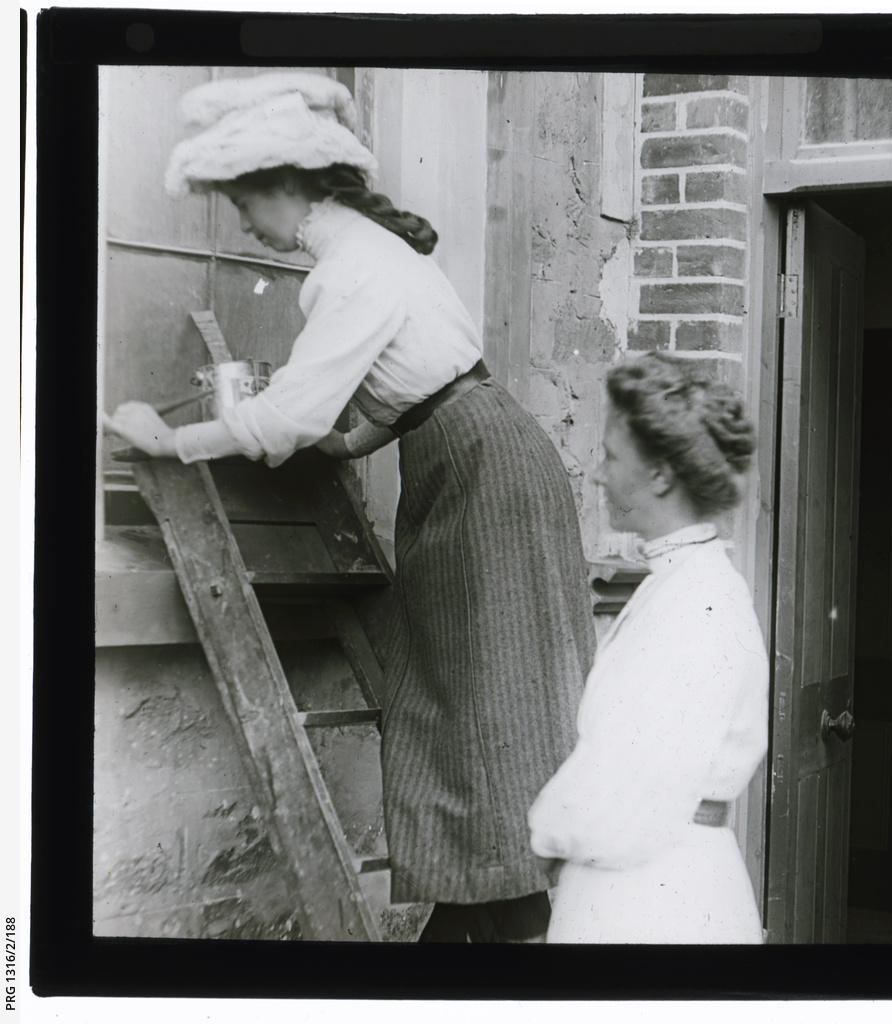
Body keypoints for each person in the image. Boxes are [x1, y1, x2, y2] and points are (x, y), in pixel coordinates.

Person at [106, 72, 596, 943]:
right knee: (473, 704)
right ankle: (483, 918)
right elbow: (419, 388)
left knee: (484, 705)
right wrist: (349, 444)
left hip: (479, 474)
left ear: (286, 188)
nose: (246, 226)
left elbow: (291, 416)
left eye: (244, 204)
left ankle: (515, 926)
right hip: (474, 457)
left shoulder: (350, 269)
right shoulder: (373, 252)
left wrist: (169, 441)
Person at [527, 352, 769, 944]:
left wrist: (548, 833)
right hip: (642, 885)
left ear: (660, 474)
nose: (597, 475)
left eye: (611, 457)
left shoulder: (698, 602)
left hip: (655, 904)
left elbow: (629, 794)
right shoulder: (679, 583)